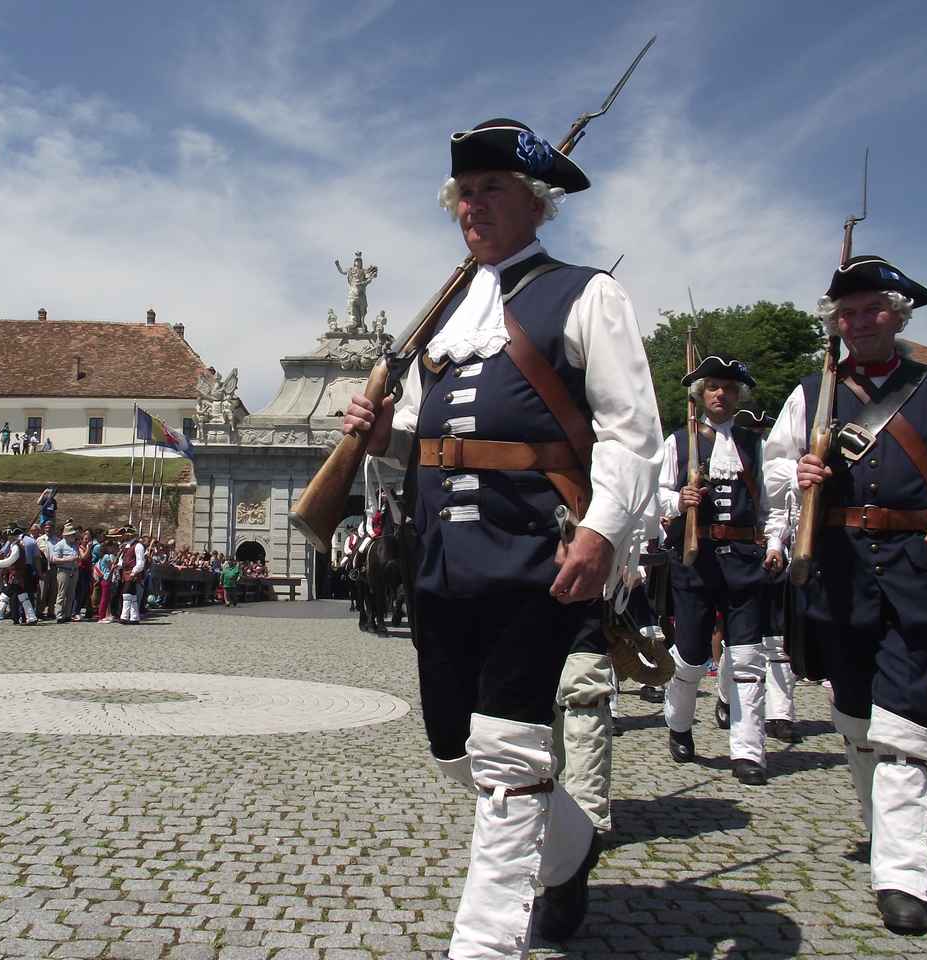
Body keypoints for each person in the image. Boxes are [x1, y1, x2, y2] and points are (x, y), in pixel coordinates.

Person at [343, 118, 662, 954]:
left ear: (537, 204)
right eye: (464, 193)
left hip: (537, 554)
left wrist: (602, 531)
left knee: (511, 749)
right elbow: (422, 439)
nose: (473, 206)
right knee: (454, 747)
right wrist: (380, 436)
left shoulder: (587, 294)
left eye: (492, 189)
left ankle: (484, 942)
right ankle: (571, 848)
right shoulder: (445, 319)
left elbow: (632, 434)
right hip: (441, 562)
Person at [763, 254, 927, 934]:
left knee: (905, 719)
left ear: (898, 318)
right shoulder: (812, 393)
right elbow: (773, 469)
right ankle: (879, 825)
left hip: (910, 563)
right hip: (836, 569)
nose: (860, 323)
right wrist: (798, 476)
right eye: (848, 314)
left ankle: (902, 875)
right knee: (854, 711)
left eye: (873, 311)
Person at [656, 357, 782, 785]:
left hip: (743, 559)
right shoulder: (679, 442)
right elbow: (655, 495)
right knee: (691, 655)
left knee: (747, 656)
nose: (721, 394)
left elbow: (770, 503)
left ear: (738, 395)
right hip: (695, 559)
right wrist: (679, 501)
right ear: (701, 394)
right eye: (712, 386)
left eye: (728, 388)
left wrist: (775, 542)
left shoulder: (755, 445)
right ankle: (679, 725)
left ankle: (748, 751)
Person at [0, 524, 39, 625]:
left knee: (5, 596)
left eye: (10, 536)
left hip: (16, 576)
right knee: (23, 596)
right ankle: (31, 617)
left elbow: (9, 561)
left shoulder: (16, 547)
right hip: (17, 575)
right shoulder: (16, 546)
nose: (9, 538)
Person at [50, 523, 80, 622]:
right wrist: (68, 559)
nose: (73, 536)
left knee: (71, 594)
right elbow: (54, 559)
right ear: (66, 535)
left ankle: (68, 614)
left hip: (74, 571)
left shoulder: (74, 545)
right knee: (61, 593)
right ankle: (59, 614)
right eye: (71, 535)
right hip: (63, 571)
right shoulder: (60, 545)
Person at [117, 525, 147, 624]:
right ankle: (134, 617)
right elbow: (122, 559)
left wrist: (134, 572)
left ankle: (124, 617)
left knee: (126, 594)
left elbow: (140, 562)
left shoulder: (138, 546)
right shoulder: (126, 546)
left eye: (127, 534)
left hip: (133, 572)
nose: (124, 535)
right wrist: (119, 565)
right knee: (132, 595)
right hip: (125, 572)